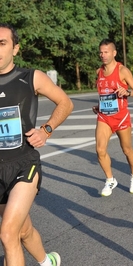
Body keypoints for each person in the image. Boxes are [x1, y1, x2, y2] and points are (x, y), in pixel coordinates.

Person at [0, 23, 73, 265]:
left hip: (24, 164)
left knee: (8, 233)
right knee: (22, 230)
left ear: (15, 48)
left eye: (2, 43)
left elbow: (65, 103)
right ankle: (47, 261)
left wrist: (46, 130)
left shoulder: (30, 77)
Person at [92, 39, 133, 197]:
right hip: (104, 117)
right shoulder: (98, 72)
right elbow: (105, 94)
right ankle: (110, 179)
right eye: (101, 52)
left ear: (114, 53)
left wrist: (127, 92)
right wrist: (100, 106)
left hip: (121, 118)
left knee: (127, 150)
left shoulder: (122, 71)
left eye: (106, 52)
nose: (103, 55)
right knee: (100, 150)